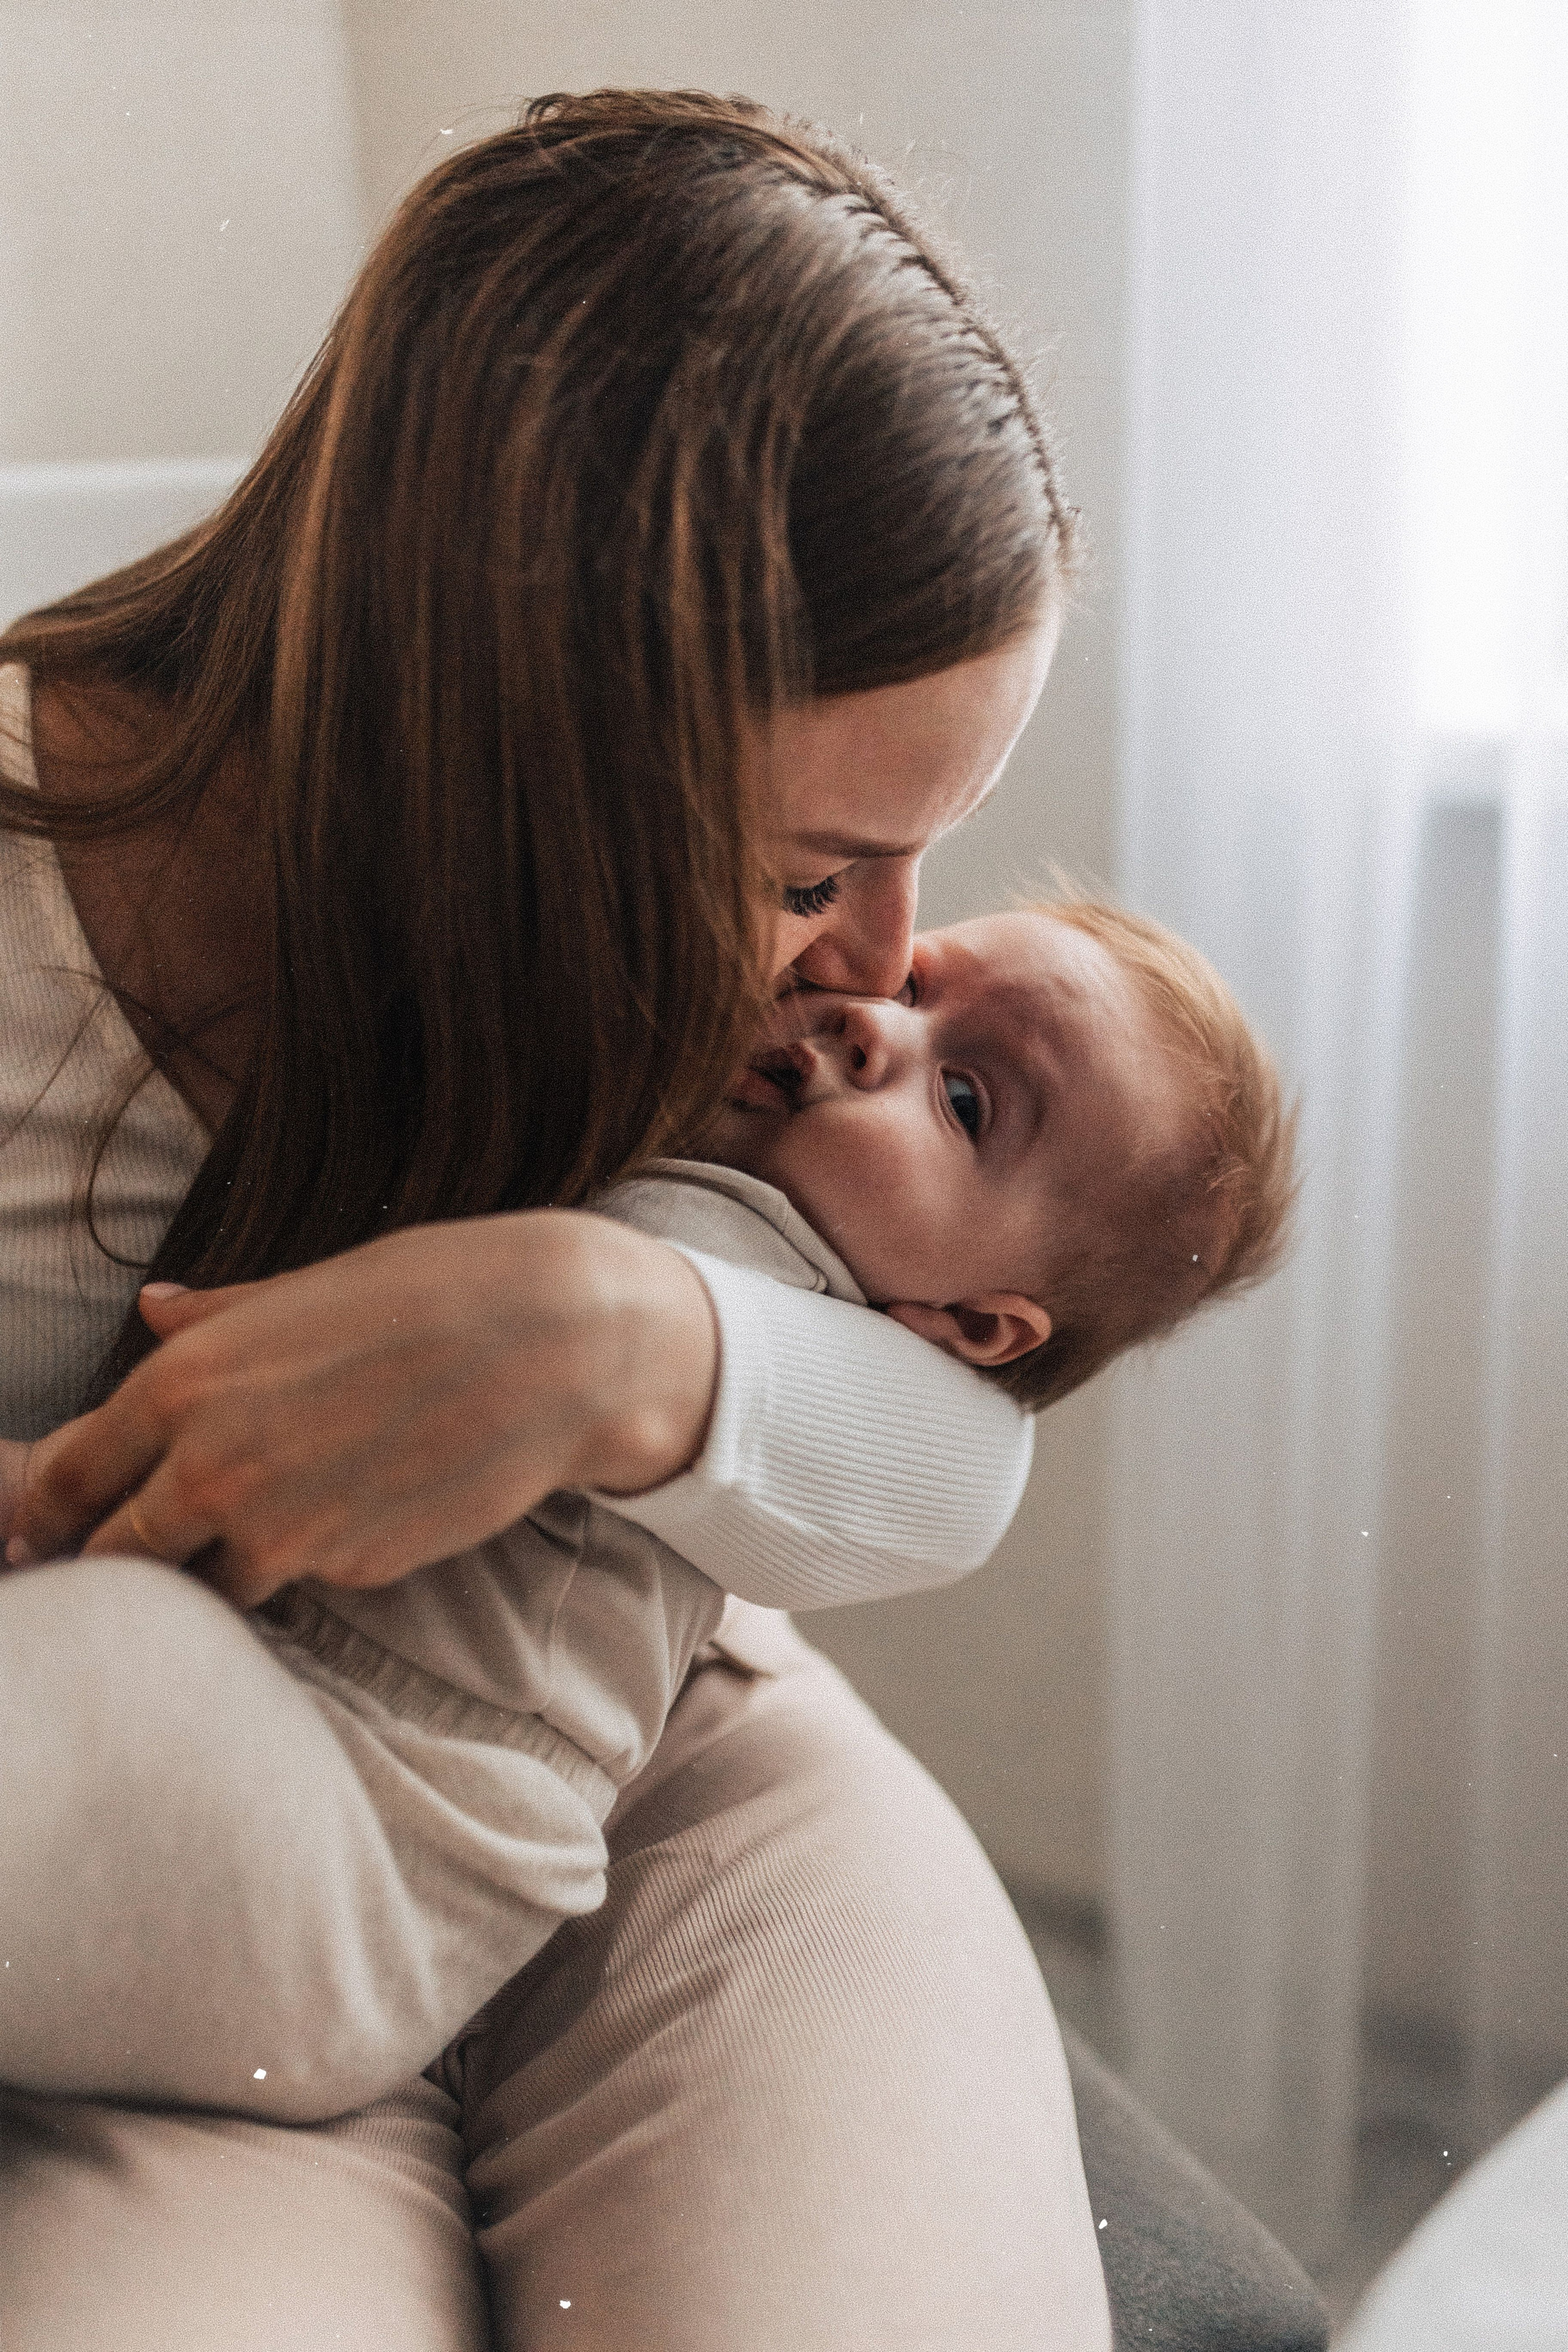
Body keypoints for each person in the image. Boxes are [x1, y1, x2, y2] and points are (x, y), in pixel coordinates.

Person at [0, 87, 1110, 2352]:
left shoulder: (732, 1018)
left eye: (920, 861)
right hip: (183, 1796)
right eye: (816, 870)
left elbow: (963, 1439)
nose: (892, 965)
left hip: (605, 1711)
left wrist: (610, 1337)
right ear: (532, 743)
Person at [1, 894, 1295, 2127]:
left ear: (968, 1324)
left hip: (373, 1843)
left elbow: (968, 1472)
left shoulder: (817, 1325)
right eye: (912, 985)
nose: (869, 1018)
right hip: (248, 1706)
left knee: (93, 1666)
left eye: (964, 1098)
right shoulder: (675, 1115)